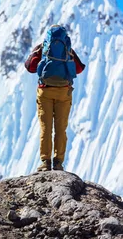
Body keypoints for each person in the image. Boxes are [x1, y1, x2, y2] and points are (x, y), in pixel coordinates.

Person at [25, 25, 86, 172]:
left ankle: (45, 162)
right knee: (60, 129)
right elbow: (79, 68)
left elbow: (30, 67)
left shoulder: (43, 48)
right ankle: (58, 163)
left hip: (45, 92)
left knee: (46, 128)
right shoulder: (68, 50)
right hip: (63, 93)